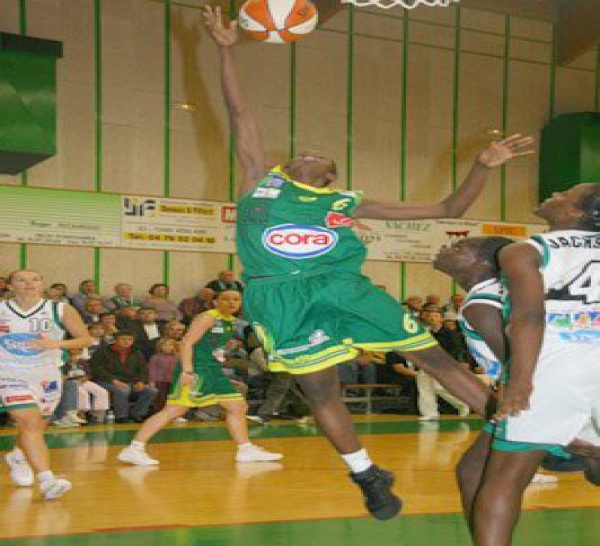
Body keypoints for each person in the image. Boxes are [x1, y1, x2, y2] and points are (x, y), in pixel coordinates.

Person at [202, 5, 534, 520]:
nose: (307, 153)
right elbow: (239, 113)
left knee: (437, 360)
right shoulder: (257, 181)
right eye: (300, 154)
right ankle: (367, 473)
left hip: (341, 286)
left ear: (331, 177)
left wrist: (481, 166)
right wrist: (225, 48)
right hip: (277, 295)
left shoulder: (346, 203)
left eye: (320, 159)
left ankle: (524, 437)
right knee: (321, 390)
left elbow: (449, 210)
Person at [436, 184, 600, 545]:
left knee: (504, 480)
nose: (553, 193)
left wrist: (520, 382)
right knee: (473, 468)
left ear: (574, 213)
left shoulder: (527, 251)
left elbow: (527, 316)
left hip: (552, 369)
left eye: (564, 194)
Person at [118, 290, 282, 466]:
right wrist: (187, 371)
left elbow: (209, 344)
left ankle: (246, 449)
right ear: (215, 302)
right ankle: (134, 448)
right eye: (225, 299)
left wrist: (220, 352)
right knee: (175, 410)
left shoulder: (230, 321)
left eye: (236, 299)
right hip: (197, 370)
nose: (231, 302)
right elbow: (186, 343)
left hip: (212, 369)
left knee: (238, 406)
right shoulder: (207, 317)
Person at [0, 269, 92, 499]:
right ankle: (47, 481)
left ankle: (18, 455)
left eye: (34, 279)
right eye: (21, 279)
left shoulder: (59, 309)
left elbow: (85, 339)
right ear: (10, 285)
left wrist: (54, 344)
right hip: (9, 373)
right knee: (29, 420)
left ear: (42, 284)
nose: (28, 283)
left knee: (36, 426)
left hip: (46, 374)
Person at [90, 331, 157, 423]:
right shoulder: (102, 351)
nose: (126, 342)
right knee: (122, 391)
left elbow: (143, 370)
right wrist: (114, 381)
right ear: (116, 340)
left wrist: (141, 381)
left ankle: (137, 414)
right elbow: (97, 369)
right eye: (123, 339)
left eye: (129, 339)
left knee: (151, 391)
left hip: (130, 381)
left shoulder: (137, 352)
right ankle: (121, 416)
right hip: (106, 381)